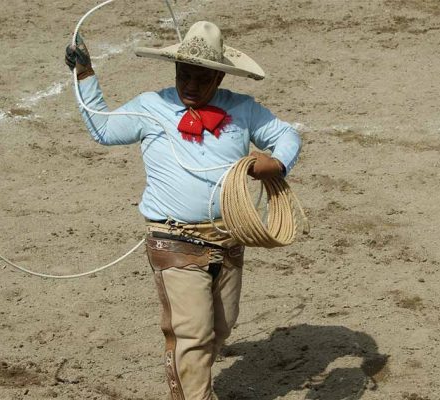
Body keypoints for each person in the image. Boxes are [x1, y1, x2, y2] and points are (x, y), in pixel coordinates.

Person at [64, 21, 301, 400]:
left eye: (201, 77)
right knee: (193, 332)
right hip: (173, 238)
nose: (190, 85)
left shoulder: (243, 110)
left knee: (221, 327)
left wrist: (277, 164)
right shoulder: (152, 107)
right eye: (184, 75)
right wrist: (85, 73)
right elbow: (104, 130)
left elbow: (286, 135)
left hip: (230, 236)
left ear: (220, 77)